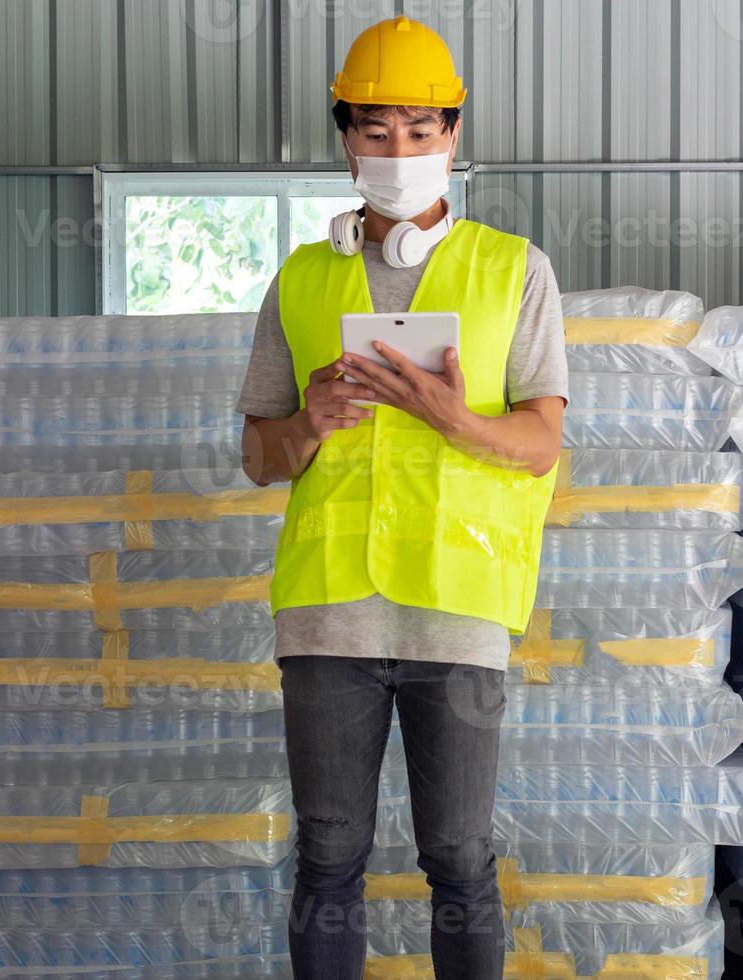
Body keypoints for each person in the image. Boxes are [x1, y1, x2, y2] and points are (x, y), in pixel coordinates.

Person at [234, 16, 568, 979]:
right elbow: (258, 454)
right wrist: (309, 421)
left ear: (453, 138)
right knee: (329, 855)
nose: (399, 152)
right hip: (328, 612)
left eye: (421, 131)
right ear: (343, 138)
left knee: (459, 859)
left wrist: (456, 419)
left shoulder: (514, 270)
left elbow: (542, 442)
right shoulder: (302, 277)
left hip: (457, 609)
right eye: (376, 131)